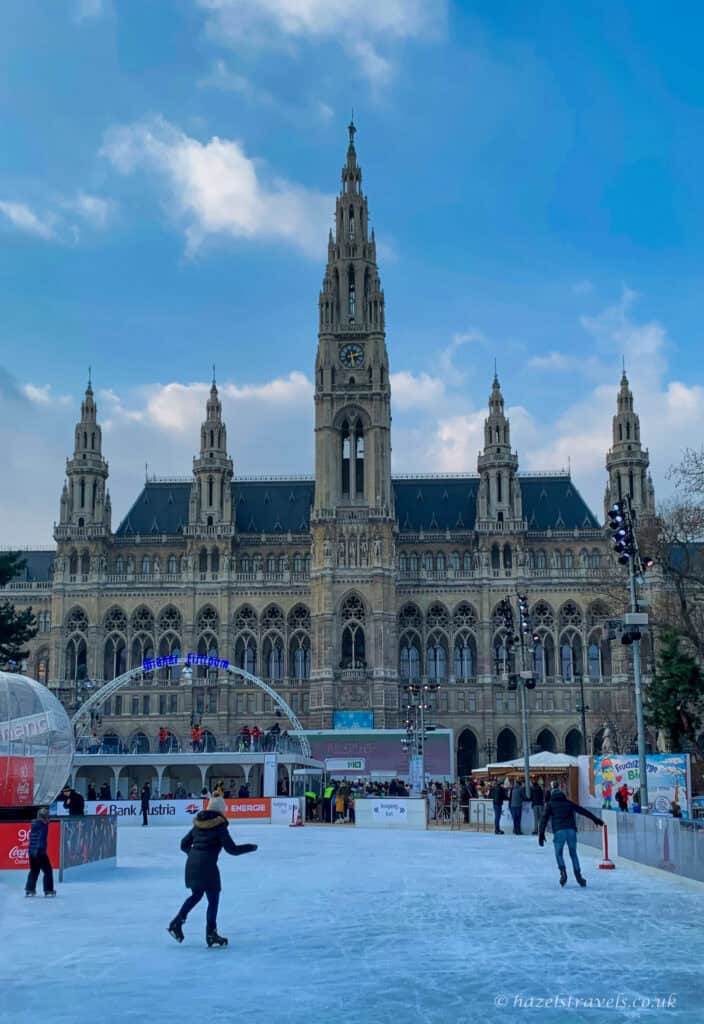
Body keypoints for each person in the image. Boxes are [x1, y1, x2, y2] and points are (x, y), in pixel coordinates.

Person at [167, 794, 258, 947]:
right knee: (213, 899)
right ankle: (211, 934)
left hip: (191, 865)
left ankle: (176, 923)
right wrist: (250, 847)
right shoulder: (219, 825)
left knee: (196, 895)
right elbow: (232, 849)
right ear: (221, 810)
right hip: (208, 867)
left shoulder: (198, 824)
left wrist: (195, 855)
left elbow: (183, 844)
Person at [539, 781, 604, 887]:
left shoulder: (550, 804)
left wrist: (541, 833)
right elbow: (582, 811)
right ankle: (579, 876)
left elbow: (544, 819)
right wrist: (595, 819)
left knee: (559, 853)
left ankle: (563, 873)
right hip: (571, 831)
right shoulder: (568, 803)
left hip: (559, 831)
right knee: (573, 854)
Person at [25, 807, 55, 897]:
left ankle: (30, 890)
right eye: (47, 817)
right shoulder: (41, 825)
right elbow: (38, 839)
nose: (48, 819)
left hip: (32, 852)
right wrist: (38, 851)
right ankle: (48, 890)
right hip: (39, 852)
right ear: (42, 818)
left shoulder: (37, 824)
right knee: (48, 871)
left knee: (34, 871)